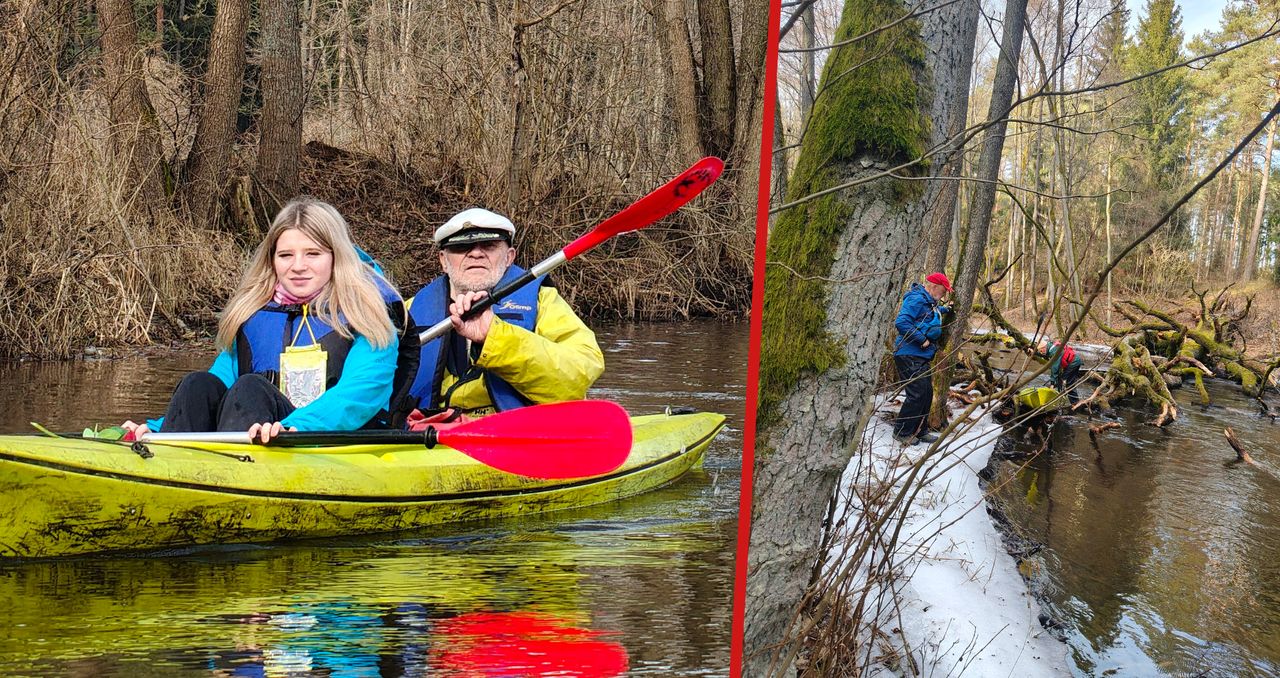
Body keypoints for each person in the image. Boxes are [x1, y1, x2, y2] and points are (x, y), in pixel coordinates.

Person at [122, 198, 403, 443]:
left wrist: (298, 427)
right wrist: (158, 428)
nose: (298, 266)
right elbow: (218, 384)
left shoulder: (369, 318)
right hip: (262, 431)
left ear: (336, 257)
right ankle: (169, 452)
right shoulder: (254, 316)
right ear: (272, 260)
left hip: (322, 439)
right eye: (286, 255)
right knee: (198, 384)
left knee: (250, 388)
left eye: (313, 254)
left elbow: (360, 394)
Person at [403, 208, 604, 419]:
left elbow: (579, 376)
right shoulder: (408, 312)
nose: (476, 253)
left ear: (509, 257)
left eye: (489, 246)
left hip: (513, 428)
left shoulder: (542, 301)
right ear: (443, 260)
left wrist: (496, 337)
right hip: (427, 430)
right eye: (461, 247)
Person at [891, 272, 952, 445]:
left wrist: (946, 309)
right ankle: (902, 432)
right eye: (943, 291)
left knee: (926, 393)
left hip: (919, 356)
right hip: (908, 353)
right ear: (933, 286)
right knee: (916, 394)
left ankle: (920, 431)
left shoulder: (928, 301)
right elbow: (902, 322)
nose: (944, 295)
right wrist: (922, 340)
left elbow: (928, 313)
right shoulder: (916, 298)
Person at [1033, 338, 1083, 405]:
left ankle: (1074, 403)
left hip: (1073, 363)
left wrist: (1052, 383)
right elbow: (1046, 354)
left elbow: (1055, 368)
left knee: (1068, 383)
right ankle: (1062, 397)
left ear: (1045, 347)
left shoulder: (1054, 351)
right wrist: (1034, 352)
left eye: (1041, 350)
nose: (1041, 353)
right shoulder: (1051, 347)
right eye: (1040, 352)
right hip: (1073, 362)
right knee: (1062, 380)